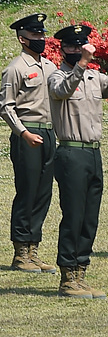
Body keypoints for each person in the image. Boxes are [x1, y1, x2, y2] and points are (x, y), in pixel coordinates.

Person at [47, 25, 108, 299]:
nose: (79, 50)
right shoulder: (57, 75)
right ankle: (67, 275)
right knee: (73, 215)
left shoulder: (95, 77)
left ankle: (81, 271)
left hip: (93, 152)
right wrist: (82, 63)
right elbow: (62, 91)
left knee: (89, 218)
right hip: (71, 152)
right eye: (73, 47)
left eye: (82, 45)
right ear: (64, 49)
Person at [0, 13, 58, 274]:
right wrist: (23, 133)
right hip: (28, 133)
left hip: (48, 133)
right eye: (35, 35)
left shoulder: (50, 67)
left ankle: (33, 248)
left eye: (42, 34)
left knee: (44, 193)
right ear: (23, 39)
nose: (41, 39)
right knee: (27, 191)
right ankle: (21, 250)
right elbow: (6, 107)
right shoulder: (15, 68)